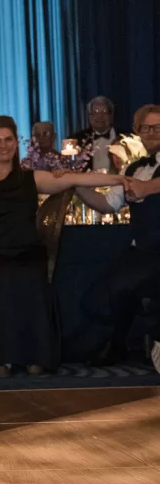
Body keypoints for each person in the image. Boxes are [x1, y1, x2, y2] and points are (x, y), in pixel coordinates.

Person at [0, 115, 127, 377]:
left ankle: (34, 355)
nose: (3, 146)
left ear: (16, 142)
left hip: (27, 252)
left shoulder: (31, 178)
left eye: (8, 139)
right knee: (2, 276)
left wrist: (119, 180)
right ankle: (5, 358)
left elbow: (75, 180)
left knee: (28, 275)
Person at [76, 104, 160, 365]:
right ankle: (121, 342)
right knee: (99, 293)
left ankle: (129, 341)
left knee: (127, 286)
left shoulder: (144, 177)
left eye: (158, 127)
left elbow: (147, 188)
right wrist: (73, 182)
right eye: (146, 127)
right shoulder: (134, 169)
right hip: (142, 250)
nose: (152, 132)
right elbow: (106, 204)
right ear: (138, 132)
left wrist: (148, 188)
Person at [71, 96, 121, 172]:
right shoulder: (77, 139)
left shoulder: (125, 138)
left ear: (111, 116)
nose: (100, 117)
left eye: (104, 112)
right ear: (89, 116)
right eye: (96, 112)